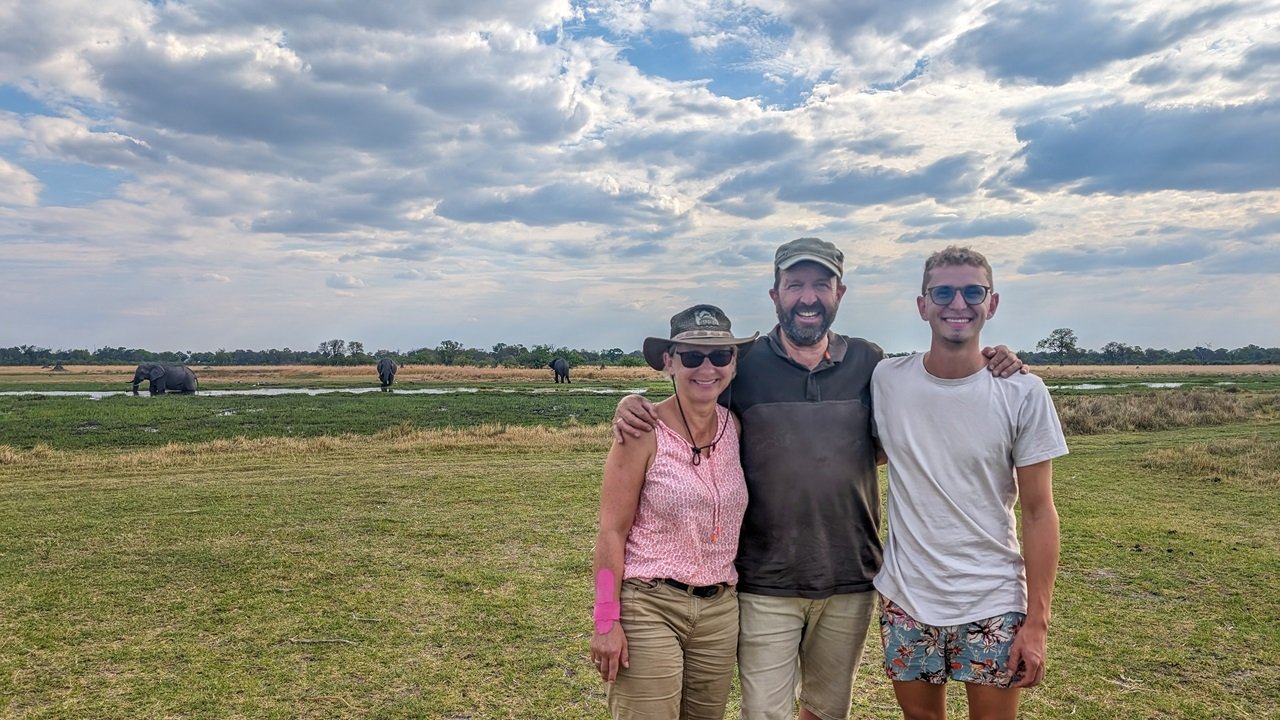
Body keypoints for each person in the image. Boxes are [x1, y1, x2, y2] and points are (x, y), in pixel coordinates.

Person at [614, 238, 1024, 720]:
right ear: (775, 295)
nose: (808, 297)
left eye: (821, 285)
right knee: (766, 712)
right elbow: (691, 399)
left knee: (828, 710)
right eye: (795, 285)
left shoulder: (871, 364)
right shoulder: (740, 367)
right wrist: (631, 405)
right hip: (764, 580)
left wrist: (999, 362)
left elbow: (933, 381)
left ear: (840, 293)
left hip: (851, 575)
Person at [871, 246, 1067, 720]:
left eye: (971, 291)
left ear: (991, 303)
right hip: (906, 595)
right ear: (923, 305)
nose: (957, 303)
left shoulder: (1022, 392)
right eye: (942, 291)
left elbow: (1040, 512)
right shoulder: (886, 379)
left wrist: (1037, 622)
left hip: (993, 597)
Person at [591, 304, 759, 719]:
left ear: (734, 365)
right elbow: (611, 532)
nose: (707, 367)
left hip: (719, 612)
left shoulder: (735, 427)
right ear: (668, 361)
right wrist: (605, 620)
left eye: (721, 356)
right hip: (649, 605)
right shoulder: (640, 431)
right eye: (691, 356)